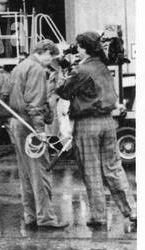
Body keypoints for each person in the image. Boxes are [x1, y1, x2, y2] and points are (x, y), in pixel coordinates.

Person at [57, 30, 137, 232]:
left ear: (83, 48)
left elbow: (63, 91)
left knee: (92, 170)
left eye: (78, 47)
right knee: (114, 168)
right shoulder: (101, 66)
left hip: (88, 123)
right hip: (108, 122)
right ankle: (132, 210)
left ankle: (98, 215)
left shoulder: (81, 71)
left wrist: (62, 68)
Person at [7, 39, 67, 229]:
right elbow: (35, 104)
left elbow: (7, 93)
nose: (51, 60)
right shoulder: (37, 70)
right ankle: (46, 218)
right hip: (30, 125)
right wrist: (40, 131)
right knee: (40, 172)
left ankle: (31, 215)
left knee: (26, 173)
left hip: (17, 122)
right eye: (51, 56)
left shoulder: (19, 67)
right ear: (44, 52)